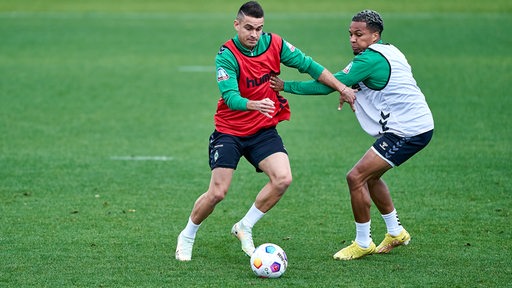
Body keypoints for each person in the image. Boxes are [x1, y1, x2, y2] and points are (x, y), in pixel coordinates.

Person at [175, 1, 356, 261]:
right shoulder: (226, 55)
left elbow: (310, 66)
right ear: (236, 25)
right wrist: (253, 104)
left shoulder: (275, 44)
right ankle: (188, 235)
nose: (254, 34)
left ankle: (244, 226)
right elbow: (229, 97)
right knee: (218, 192)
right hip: (230, 131)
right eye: (248, 28)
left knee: (283, 179)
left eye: (259, 28)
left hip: (262, 130)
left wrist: (341, 87)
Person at [270, 9, 434, 260]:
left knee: (355, 177)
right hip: (414, 125)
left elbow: (328, 85)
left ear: (375, 36)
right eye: (350, 34)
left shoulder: (368, 60)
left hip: (408, 130)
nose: (353, 39)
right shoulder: (390, 50)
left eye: (360, 34)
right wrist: (348, 86)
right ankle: (396, 232)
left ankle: (362, 242)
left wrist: (285, 86)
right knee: (371, 177)